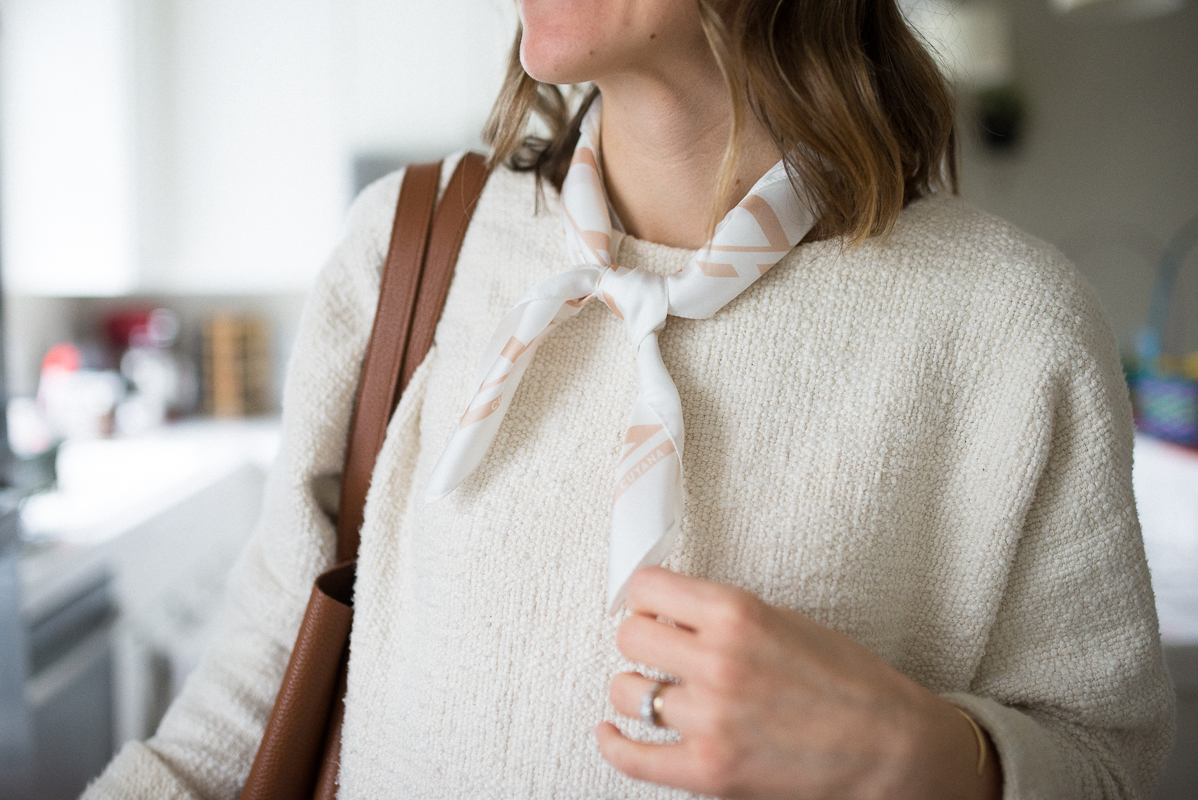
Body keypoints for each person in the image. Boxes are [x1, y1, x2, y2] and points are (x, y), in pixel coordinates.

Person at [85, 0, 1174, 798]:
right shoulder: (405, 251)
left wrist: (930, 760)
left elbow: (1113, 763)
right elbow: (237, 716)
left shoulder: (1009, 325)